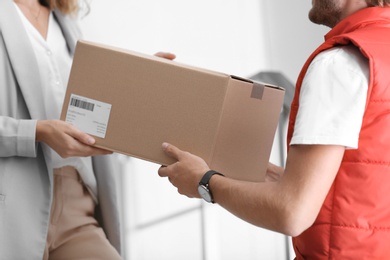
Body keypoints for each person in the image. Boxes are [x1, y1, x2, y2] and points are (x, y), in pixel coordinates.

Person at [158, 0, 390, 259]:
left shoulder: (337, 63)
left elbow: (292, 212)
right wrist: (263, 173)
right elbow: (364, 188)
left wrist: (204, 182)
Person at [0, 0, 175, 259]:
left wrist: (138, 82)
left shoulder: (67, 19)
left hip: (77, 199)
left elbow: (85, 105)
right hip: (12, 203)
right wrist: (38, 131)